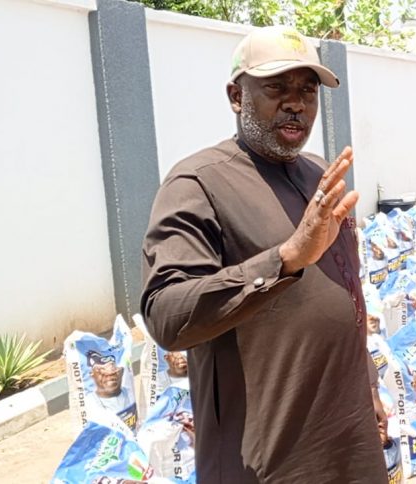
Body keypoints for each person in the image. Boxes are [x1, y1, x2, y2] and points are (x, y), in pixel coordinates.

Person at [140, 26, 386, 482]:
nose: (296, 104)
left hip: (350, 444)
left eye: (308, 91)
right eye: (276, 88)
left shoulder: (319, 174)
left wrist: (368, 381)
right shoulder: (197, 184)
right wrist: (284, 259)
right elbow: (166, 316)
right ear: (237, 96)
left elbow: (347, 292)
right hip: (268, 462)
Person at [85, 351, 137, 429]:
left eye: (113, 371)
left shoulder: (129, 393)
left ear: (121, 372)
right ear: (92, 375)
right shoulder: (91, 402)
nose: (110, 375)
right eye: (102, 371)